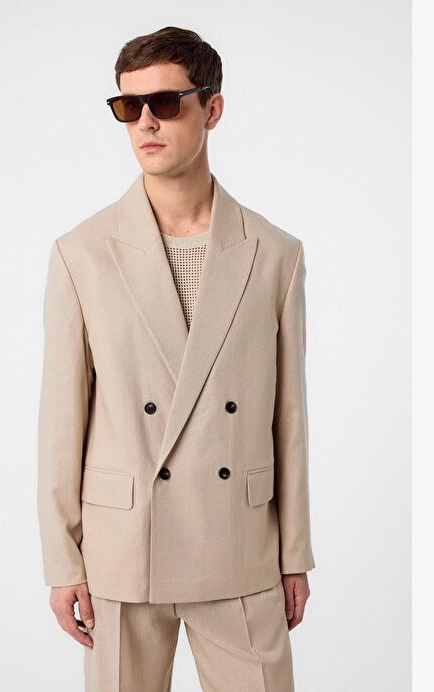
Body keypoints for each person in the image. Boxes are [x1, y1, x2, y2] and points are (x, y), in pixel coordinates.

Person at [37, 25, 316, 692]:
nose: (145, 123)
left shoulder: (275, 253)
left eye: (165, 103)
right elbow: (61, 421)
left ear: (211, 109)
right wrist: (63, 561)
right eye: (127, 106)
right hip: (123, 550)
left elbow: (289, 417)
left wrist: (294, 552)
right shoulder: (81, 253)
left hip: (239, 543)